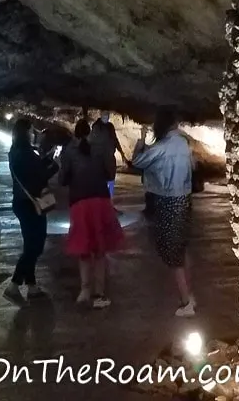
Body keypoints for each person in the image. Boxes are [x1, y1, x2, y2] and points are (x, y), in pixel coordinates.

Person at [131, 107, 195, 316]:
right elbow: (193, 167)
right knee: (181, 247)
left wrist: (141, 142)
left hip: (168, 201)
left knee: (172, 252)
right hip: (184, 198)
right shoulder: (183, 144)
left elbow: (138, 162)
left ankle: (186, 302)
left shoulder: (163, 146)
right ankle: (188, 293)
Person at [59, 118, 123, 308]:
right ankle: (100, 293)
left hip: (79, 202)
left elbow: (63, 179)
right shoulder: (101, 147)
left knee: (84, 249)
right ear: (90, 132)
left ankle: (84, 291)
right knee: (100, 250)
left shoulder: (68, 150)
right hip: (100, 200)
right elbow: (110, 174)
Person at [5, 117, 58, 302]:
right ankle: (14, 284)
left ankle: (32, 286)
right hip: (31, 204)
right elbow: (40, 176)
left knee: (30, 245)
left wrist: (44, 159)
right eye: (31, 131)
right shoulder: (27, 153)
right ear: (26, 132)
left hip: (20, 202)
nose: (34, 133)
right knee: (35, 246)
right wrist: (55, 165)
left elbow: (31, 171)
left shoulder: (15, 152)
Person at [90, 112, 126, 199]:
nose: (106, 117)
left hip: (109, 157)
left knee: (111, 178)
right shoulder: (96, 127)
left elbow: (115, 140)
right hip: (99, 158)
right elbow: (93, 142)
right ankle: (101, 200)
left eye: (107, 115)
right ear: (101, 115)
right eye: (105, 115)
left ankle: (109, 199)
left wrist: (122, 153)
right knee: (101, 179)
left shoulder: (110, 126)